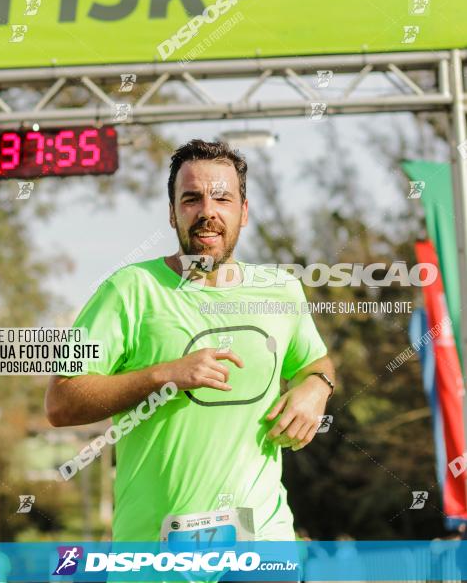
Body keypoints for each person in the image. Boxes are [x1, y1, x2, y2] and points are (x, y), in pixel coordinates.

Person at [45, 138, 335, 543]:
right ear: (172, 214)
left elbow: (314, 363)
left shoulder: (281, 289)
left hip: (263, 539)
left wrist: (317, 388)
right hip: (155, 548)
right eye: (191, 199)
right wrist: (165, 374)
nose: (208, 212)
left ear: (244, 212)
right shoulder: (129, 289)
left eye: (222, 198)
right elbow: (61, 402)